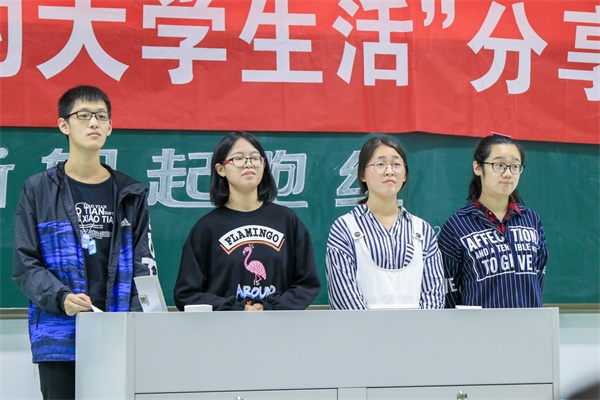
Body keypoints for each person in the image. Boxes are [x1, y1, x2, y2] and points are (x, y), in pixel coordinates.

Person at [12, 86, 157, 399]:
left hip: (118, 334)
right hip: (59, 335)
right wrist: (60, 297)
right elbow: (25, 264)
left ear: (110, 127)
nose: (93, 123)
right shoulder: (38, 189)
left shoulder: (130, 193)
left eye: (101, 116)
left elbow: (144, 265)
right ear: (63, 125)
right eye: (83, 115)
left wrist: (139, 324)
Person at [174, 131, 320, 311]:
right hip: (225, 327)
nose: (248, 163)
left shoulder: (287, 221)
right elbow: (186, 294)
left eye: (255, 158)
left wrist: (270, 307)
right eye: (239, 158)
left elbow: (307, 284)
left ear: (263, 166)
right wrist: (235, 308)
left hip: (279, 326)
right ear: (221, 169)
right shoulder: (206, 228)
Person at [326, 136, 445, 310]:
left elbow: (434, 294)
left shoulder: (422, 230)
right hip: (360, 327)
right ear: (362, 174)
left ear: (405, 175)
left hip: (419, 327)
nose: (389, 171)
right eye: (380, 164)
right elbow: (344, 297)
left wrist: (419, 326)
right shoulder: (344, 228)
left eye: (396, 164)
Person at [438, 134, 548, 308]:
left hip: (529, 323)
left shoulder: (531, 221)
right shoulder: (456, 226)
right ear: (478, 167)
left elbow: (538, 277)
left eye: (515, 166)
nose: (508, 173)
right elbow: (448, 290)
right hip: (478, 325)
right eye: (499, 165)